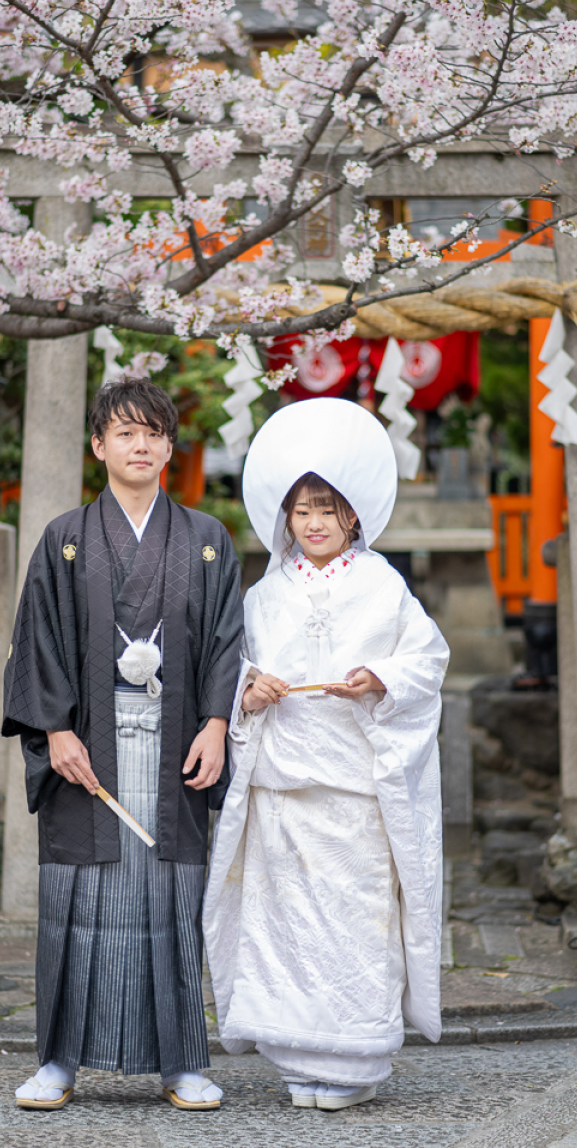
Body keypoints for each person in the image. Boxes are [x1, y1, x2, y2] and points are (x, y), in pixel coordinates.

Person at [2, 376, 243, 1112]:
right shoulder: (65, 539)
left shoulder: (206, 540)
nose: (140, 445)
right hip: (88, 752)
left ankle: (181, 1063)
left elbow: (229, 639)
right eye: (125, 432)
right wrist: (56, 730)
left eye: (153, 432)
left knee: (172, 899)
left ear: (170, 446)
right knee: (78, 900)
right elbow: (36, 641)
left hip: (176, 746)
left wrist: (216, 723)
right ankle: (58, 1062)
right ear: (98, 444)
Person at [203, 397, 449, 1112]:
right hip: (282, 789)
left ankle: (355, 1055)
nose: (313, 523)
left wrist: (382, 678)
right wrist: (250, 689)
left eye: (327, 510)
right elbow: (234, 669)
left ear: (353, 519)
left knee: (352, 921)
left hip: (352, 792)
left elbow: (426, 657)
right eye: (302, 510)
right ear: (285, 517)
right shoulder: (263, 594)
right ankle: (296, 1055)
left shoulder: (382, 585)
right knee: (285, 927)